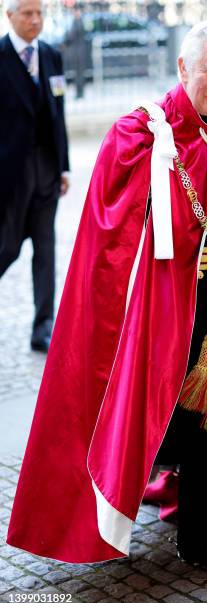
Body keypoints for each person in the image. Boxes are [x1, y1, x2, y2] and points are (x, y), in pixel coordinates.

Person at [7, 22, 207, 585]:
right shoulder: (141, 134)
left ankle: (197, 539)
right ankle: (111, 512)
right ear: (183, 70)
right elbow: (111, 234)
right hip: (160, 309)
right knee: (147, 414)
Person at [0, 0, 70, 352]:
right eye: (27, 13)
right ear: (9, 16)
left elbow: (59, 114)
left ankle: (43, 326)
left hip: (46, 171)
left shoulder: (51, 55)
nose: (35, 20)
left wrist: (64, 166)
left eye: (40, 13)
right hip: (9, 176)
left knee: (45, 249)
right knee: (8, 247)